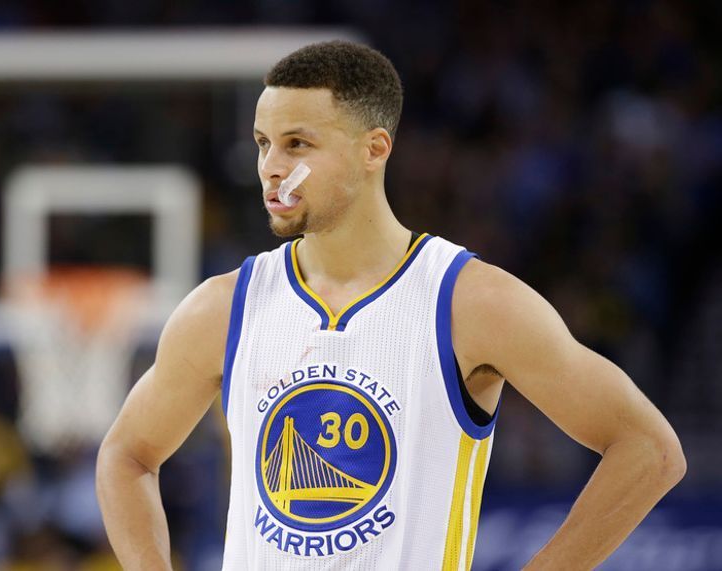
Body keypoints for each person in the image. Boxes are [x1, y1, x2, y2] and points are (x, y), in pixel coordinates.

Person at [96, 40, 685, 570]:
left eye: (298, 143)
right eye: (262, 143)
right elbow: (126, 455)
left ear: (374, 149)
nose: (271, 167)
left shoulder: (472, 301)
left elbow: (650, 450)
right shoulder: (223, 308)